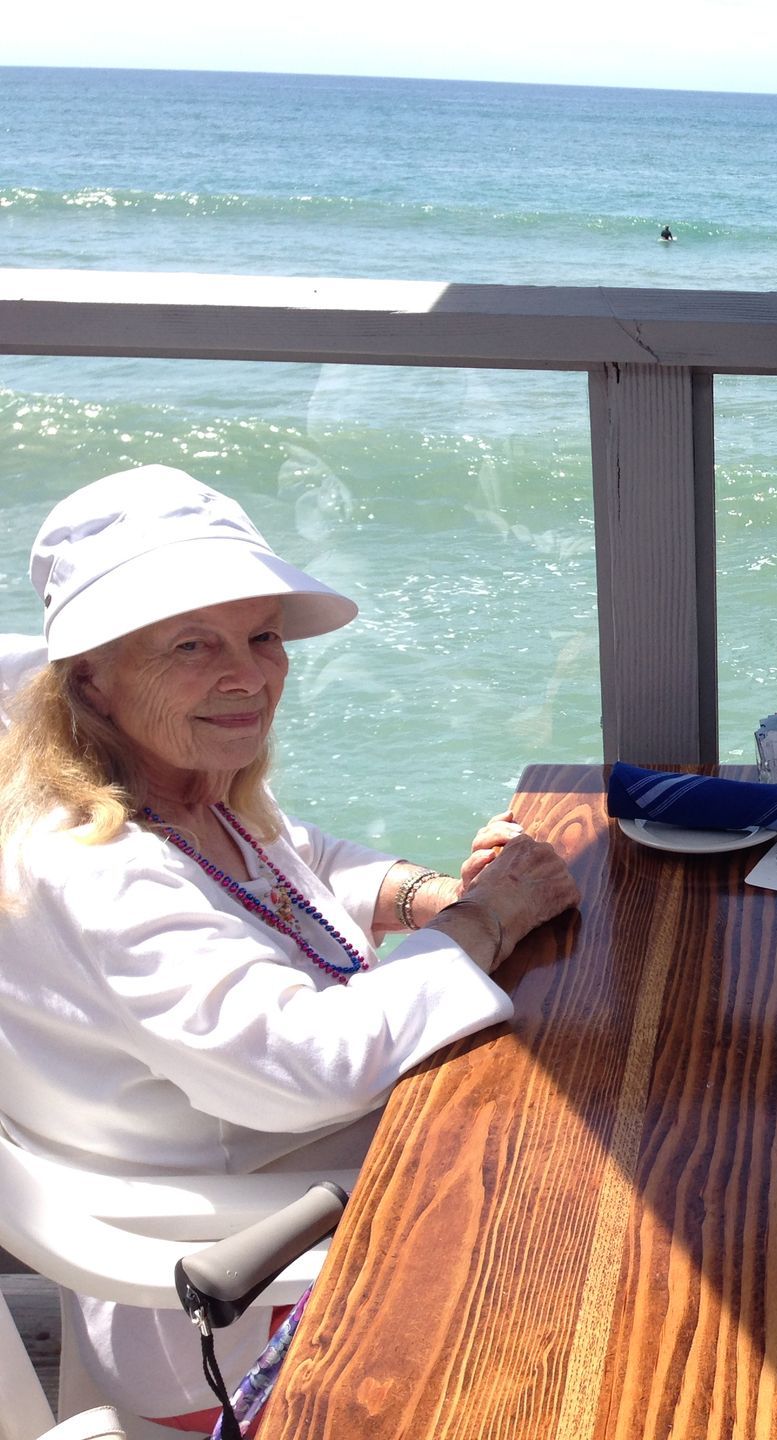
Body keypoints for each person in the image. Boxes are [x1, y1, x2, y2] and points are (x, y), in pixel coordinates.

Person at [0, 466, 581, 1431]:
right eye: (193, 645)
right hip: (244, 1291)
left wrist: (425, 896)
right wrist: (482, 925)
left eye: (262, 636)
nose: (249, 675)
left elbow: (296, 859)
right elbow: (308, 1066)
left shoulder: (167, 777)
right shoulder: (98, 870)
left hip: (294, 1185)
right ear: (92, 676)